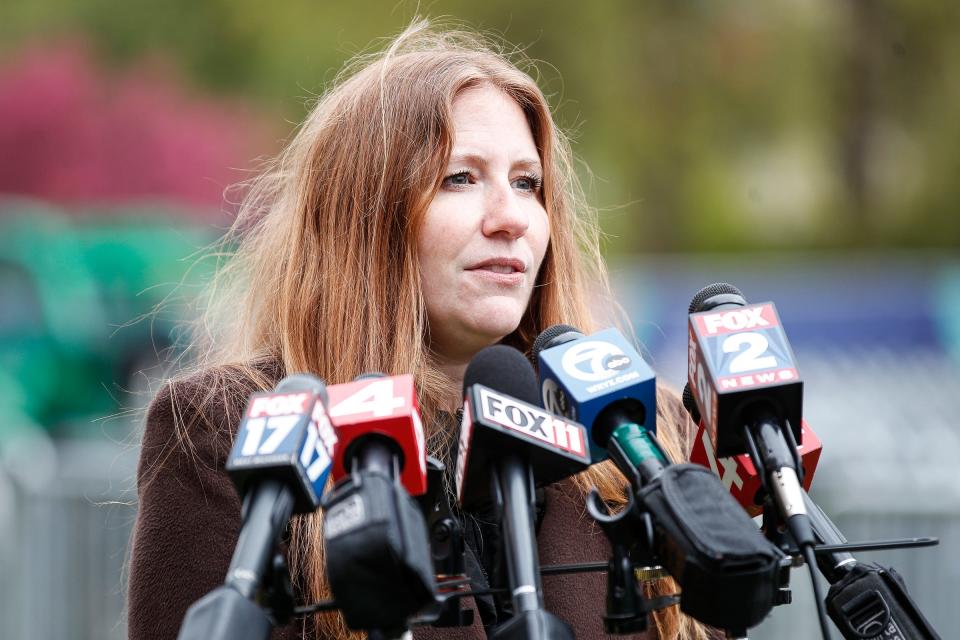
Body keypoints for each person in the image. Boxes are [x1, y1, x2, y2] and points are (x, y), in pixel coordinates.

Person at [128, 21, 713, 640]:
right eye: (460, 177)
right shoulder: (224, 425)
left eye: (527, 182)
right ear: (366, 215)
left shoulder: (642, 437)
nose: (512, 217)